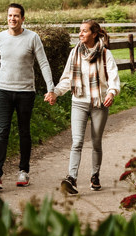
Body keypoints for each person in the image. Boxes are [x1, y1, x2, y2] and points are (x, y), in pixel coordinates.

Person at [0, 2, 55, 190]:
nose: (12, 19)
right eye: (9, 15)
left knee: (24, 131)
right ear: (6, 17)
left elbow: (44, 63)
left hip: (25, 92)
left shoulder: (32, 38)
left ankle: (23, 172)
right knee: (2, 132)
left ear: (23, 18)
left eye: (16, 16)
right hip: (3, 92)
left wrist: (51, 88)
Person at [44, 19, 120, 194]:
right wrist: (55, 92)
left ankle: (95, 175)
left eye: (84, 31)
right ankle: (71, 178)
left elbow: (113, 78)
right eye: (80, 31)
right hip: (78, 101)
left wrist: (111, 92)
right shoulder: (75, 53)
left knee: (96, 142)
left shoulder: (105, 54)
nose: (80, 34)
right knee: (77, 141)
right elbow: (67, 78)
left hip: (99, 103)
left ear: (94, 34)